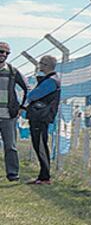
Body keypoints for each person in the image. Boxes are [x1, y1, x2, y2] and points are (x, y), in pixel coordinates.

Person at [24, 55, 61, 185]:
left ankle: (45, 177)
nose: (39, 65)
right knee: (38, 144)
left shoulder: (51, 81)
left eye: (41, 63)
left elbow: (33, 95)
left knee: (40, 145)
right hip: (39, 116)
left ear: (46, 65)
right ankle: (42, 175)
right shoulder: (48, 80)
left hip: (41, 117)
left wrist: (35, 88)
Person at [0, 42, 29, 182]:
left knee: (10, 146)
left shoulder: (12, 71)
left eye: (6, 53)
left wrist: (21, 107)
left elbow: (27, 88)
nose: (3, 55)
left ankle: (13, 174)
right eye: (1, 51)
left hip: (8, 116)